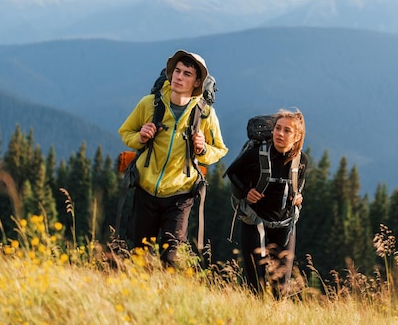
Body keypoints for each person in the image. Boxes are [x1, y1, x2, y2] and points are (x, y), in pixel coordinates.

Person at [119, 50, 228, 264]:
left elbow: (220, 149)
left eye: (187, 74)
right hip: (146, 188)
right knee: (139, 254)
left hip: (180, 194)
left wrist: (203, 149)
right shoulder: (149, 104)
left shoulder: (204, 114)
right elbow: (126, 132)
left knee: (170, 257)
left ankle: (165, 294)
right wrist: (141, 138)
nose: (179, 77)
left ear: (197, 81)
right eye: (177, 71)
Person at [226, 109, 308, 297]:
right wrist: (247, 192)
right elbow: (232, 173)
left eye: (287, 130)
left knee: (281, 287)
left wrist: (297, 196)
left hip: (285, 226)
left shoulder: (301, 160)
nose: (280, 133)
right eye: (278, 128)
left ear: (297, 137)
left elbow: (299, 186)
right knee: (256, 284)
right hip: (255, 222)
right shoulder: (256, 154)